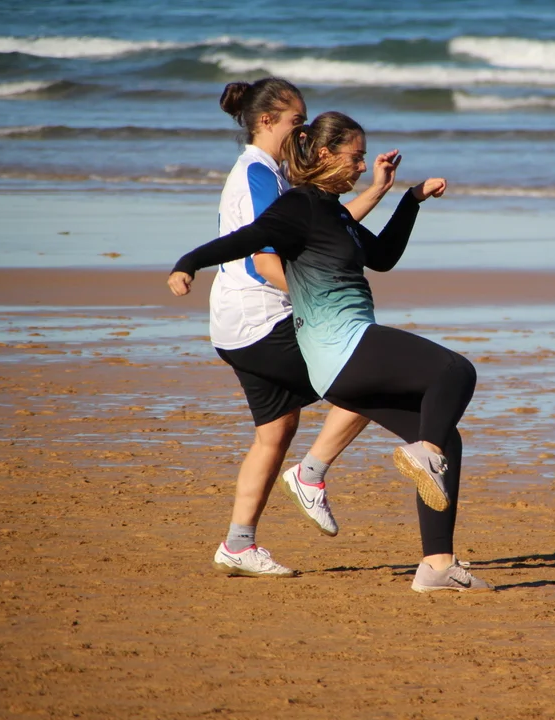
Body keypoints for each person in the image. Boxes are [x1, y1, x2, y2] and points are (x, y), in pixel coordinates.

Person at [169, 111, 492, 593]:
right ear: (325, 153)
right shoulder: (298, 206)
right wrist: (188, 263)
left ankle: (437, 565)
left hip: (343, 353)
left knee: (446, 439)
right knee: (454, 371)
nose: (362, 165)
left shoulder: (335, 212)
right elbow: (244, 240)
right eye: (356, 157)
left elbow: (382, 257)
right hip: (342, 345)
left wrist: (410, 199)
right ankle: (421, 454)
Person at [195, 78, 400, 578]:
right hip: (261, 318)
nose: (304, 130)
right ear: (267, 121)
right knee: (369, 376)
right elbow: (264, 260)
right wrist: (319, 298)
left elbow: (327, 230)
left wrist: (376, 190)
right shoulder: (260, 174)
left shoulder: (268, 173)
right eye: (297, 121)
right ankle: (310, 475)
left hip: (235, 322)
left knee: (276, 430)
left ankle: (238, 544)